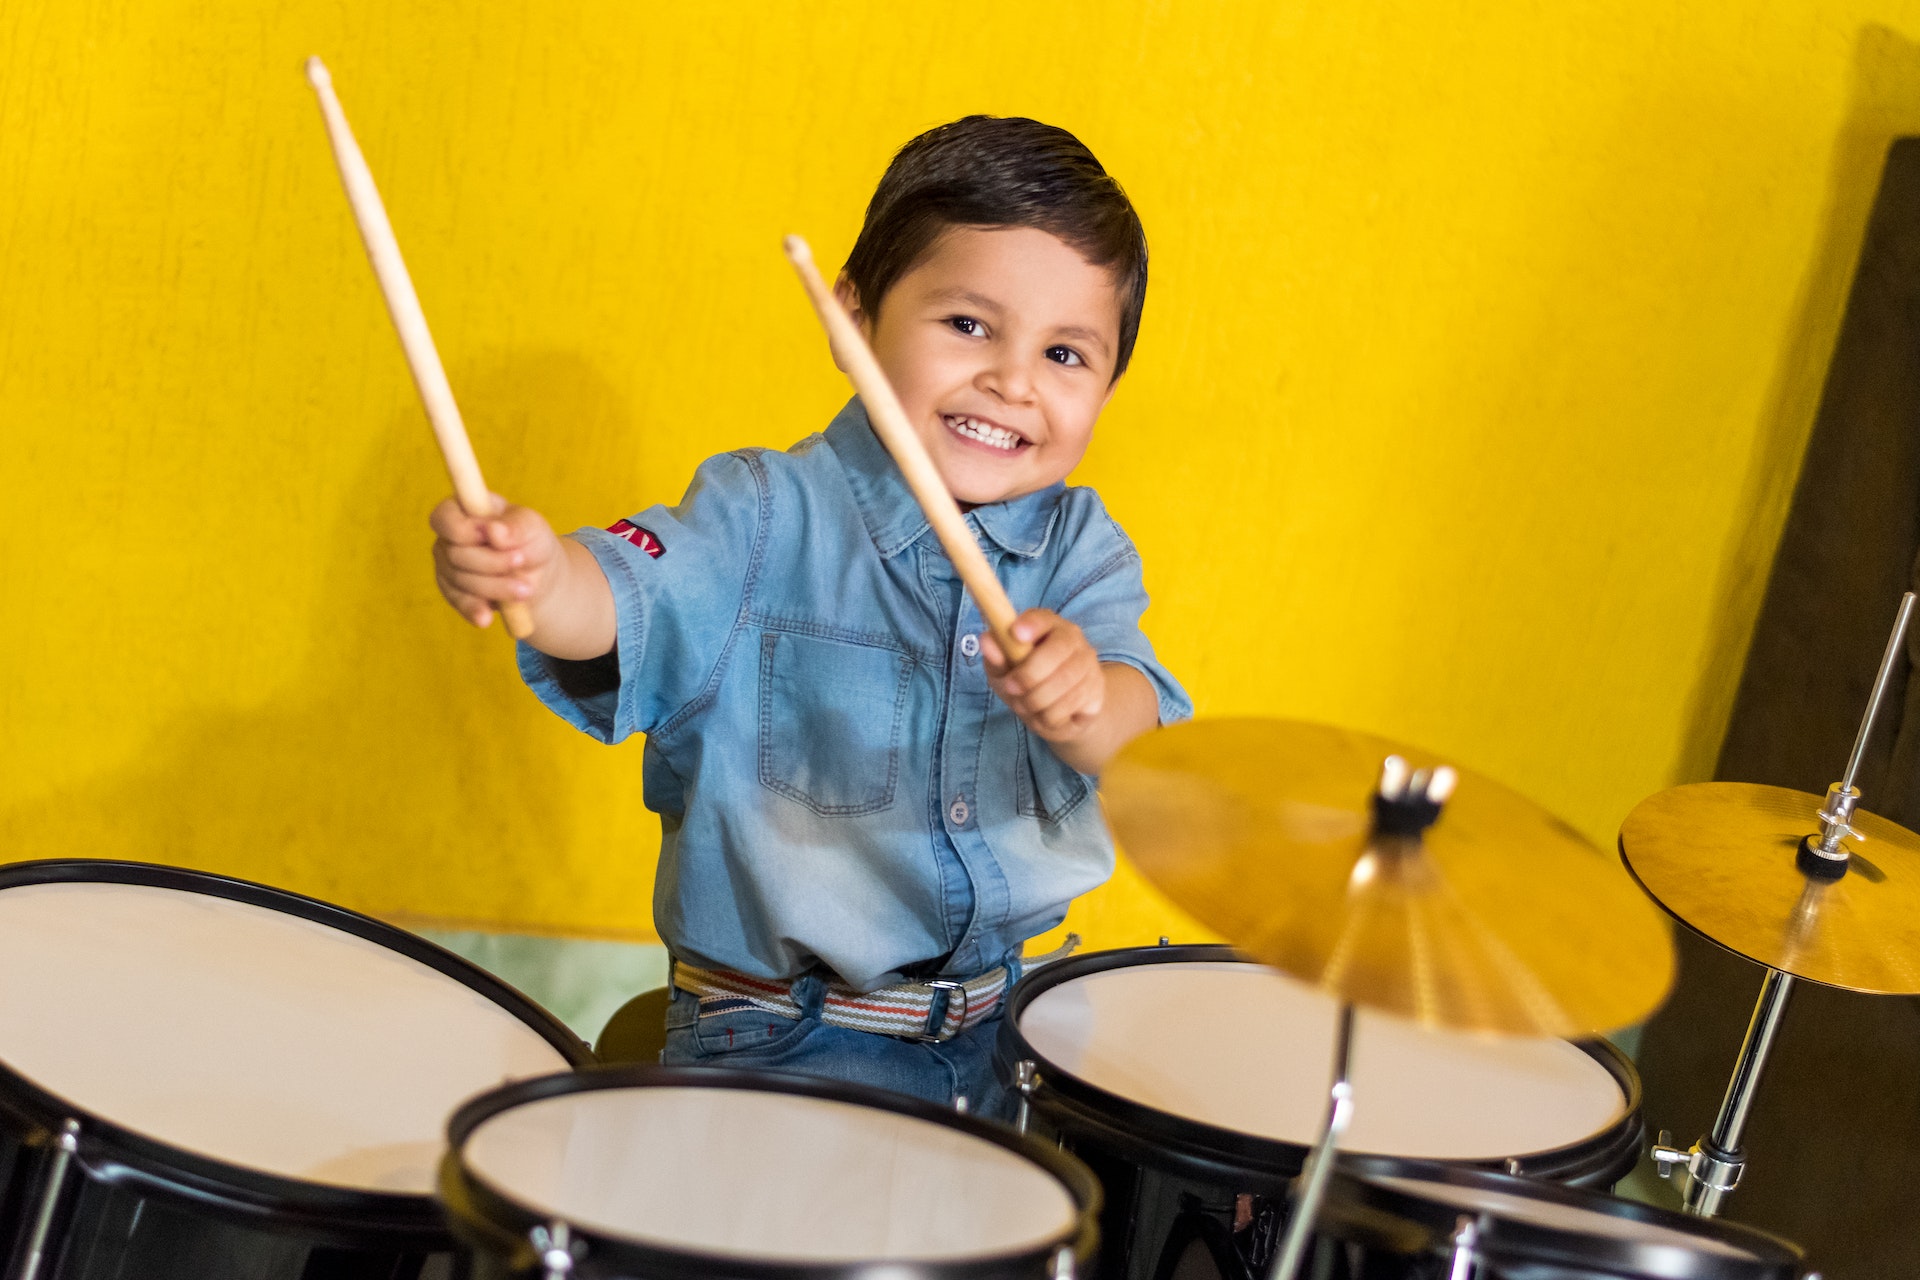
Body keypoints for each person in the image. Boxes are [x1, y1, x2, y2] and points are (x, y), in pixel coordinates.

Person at [429, 115, 1191, 1118]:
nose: (1012, 381)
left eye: (1065, 354)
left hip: (1008, 1036)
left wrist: (1088, 697)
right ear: (853, 321)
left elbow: (1138, 732)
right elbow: (617, 601)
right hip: (783, 1040)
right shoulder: (760, 514)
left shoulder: (1080, 548)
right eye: (968, 325)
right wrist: (535, 574)